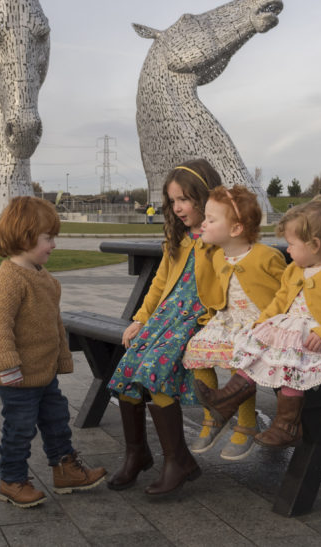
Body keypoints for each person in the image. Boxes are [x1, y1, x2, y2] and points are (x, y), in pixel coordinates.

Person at [196, 200, 321, 448]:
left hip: (319, 341)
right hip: (289, 333)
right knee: (256, 352)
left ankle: (287, 426)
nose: (287, 251)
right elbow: (280, 300)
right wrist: (262, 322)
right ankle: (226, 400)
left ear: (315, 245)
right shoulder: (295, 270)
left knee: (291, 366)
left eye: (292, 245)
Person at [107, 159, 222, 495]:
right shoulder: (179, 238)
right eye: (173, 201)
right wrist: (140, 319)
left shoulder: (219, 238)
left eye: (185, 199)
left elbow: (232, 285)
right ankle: (137, 453)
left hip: (195, 319)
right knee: (129, 369)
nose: (178, 207)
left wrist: (215, 323)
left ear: (206, 197)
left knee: (154, 369)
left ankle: (178, 460)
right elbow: (159, 283)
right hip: (164, 319)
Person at [0, 196, 106, 507]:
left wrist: (63, 359)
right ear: (24, 237)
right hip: (17, 377)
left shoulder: (45, 279)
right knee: (20, 429)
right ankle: (11, 480)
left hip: (44, 373)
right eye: (48, 238)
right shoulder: (8, 280)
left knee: (57, 420)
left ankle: (65, 469)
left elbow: (55, 324)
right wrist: (8, 363)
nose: (53, 244)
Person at [181, 185, 286, 461]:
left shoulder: (266, 256)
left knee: (240, 359)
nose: (204, 223)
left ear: (236, 229)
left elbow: (288, 290)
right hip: (228, 319)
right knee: (197, 350)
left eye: (211, 220)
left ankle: (246, 424)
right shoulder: (215, 255)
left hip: (259, 322)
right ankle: (213, 416)